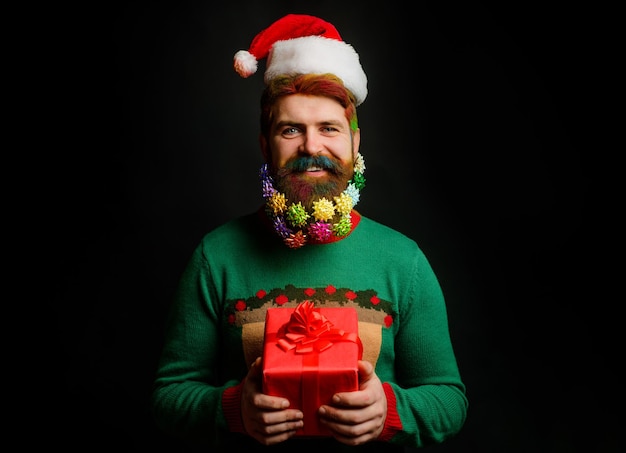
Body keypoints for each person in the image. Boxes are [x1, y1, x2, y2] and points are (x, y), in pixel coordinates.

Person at [151, 13, 468, 452]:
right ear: (266, 145)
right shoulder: (217, 255)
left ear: (355, 143)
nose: (311, 147)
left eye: (329, 128)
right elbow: (169, 395)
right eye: (290, 129)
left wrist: (389, 411)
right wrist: (232, 409)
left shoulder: (403, 260)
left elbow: (448, 398)